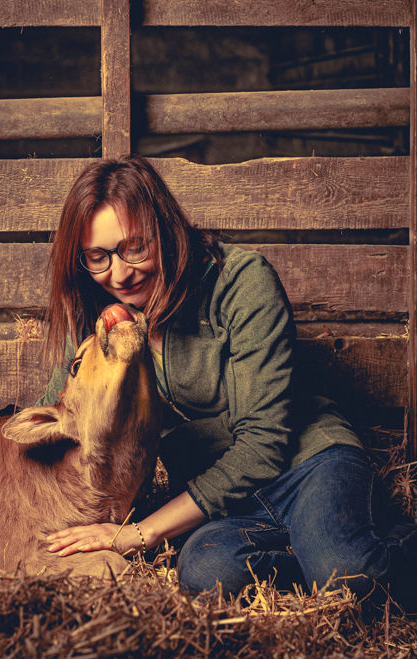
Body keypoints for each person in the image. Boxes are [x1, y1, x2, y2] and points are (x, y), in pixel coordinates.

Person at [40, 154, 416, 609]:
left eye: (134, 248)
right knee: (205, 573)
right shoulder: (97, 317)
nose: (119, 274)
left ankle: (348, 550)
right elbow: (56, 416)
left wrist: (142, 532)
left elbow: (262, 444)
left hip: (306, 464)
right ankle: (319, 551)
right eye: (98, 258)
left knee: (349, 577)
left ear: (163, 227)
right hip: (224, 504)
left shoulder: (241, 280)